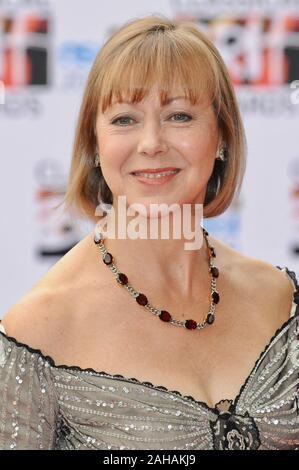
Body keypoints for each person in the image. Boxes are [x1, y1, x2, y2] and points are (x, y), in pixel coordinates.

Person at [0, 14, 298, 451]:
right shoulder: (40, 330)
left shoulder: (279, 298)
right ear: (94, 147)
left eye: (179, 115)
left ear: (221, 138)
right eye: (124, 120)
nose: (152, 143)